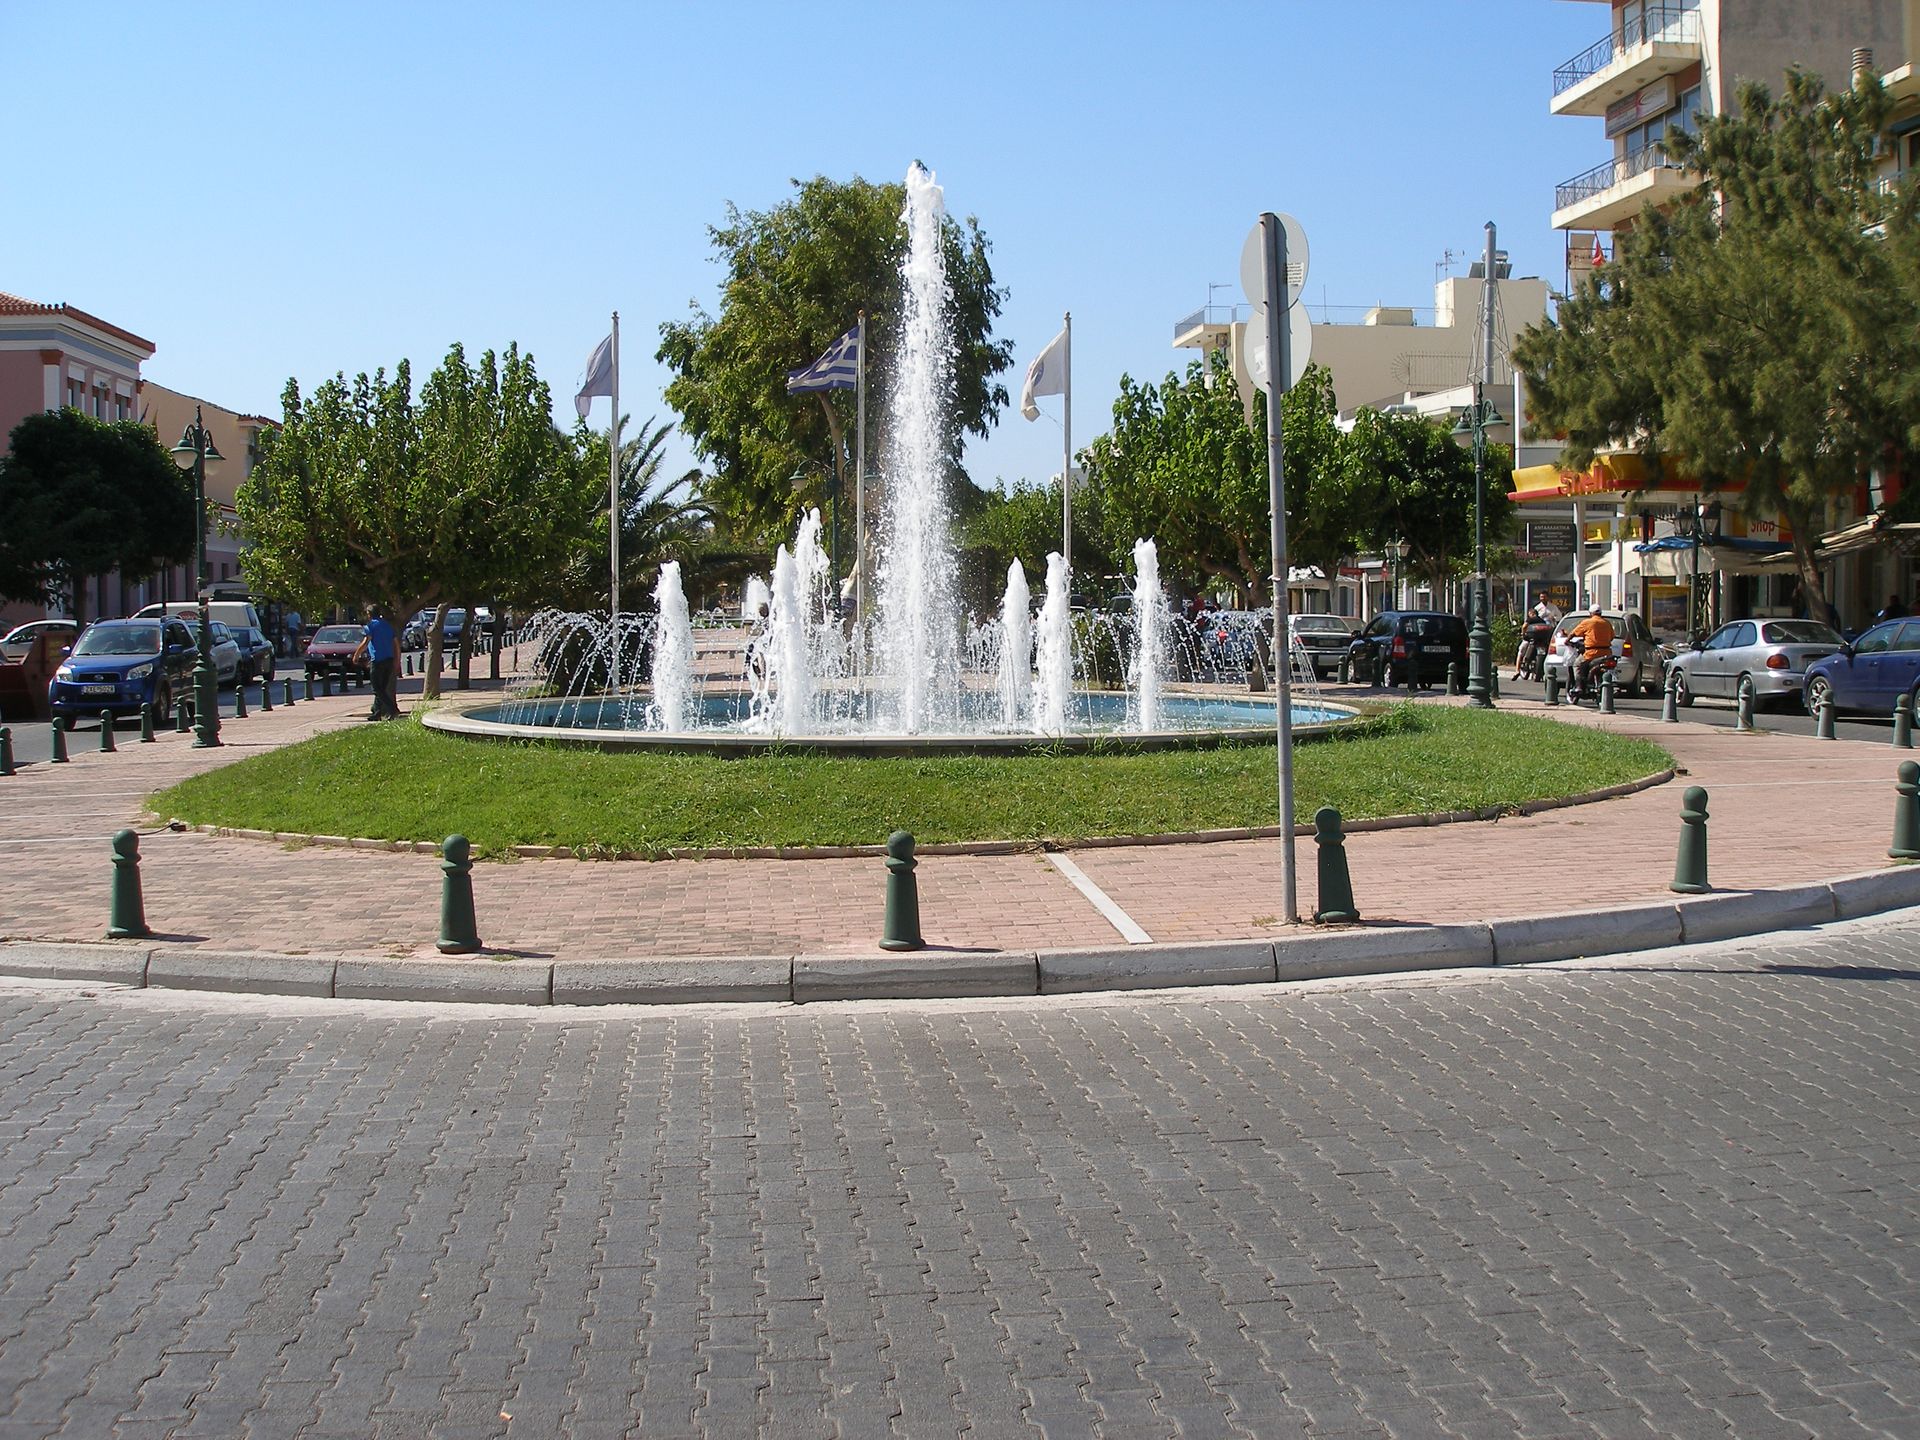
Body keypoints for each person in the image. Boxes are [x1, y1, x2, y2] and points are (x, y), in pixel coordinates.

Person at [351, 605, 401, 720]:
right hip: (389, 660)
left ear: (369, 614)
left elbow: (365, 642)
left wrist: (356, 655)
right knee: (382, 688)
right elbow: (396, 644)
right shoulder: (387, 625)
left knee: (377, 689)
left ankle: (393, 709)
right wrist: (397, 661)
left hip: (378, 661)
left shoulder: (371, 626)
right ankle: (377, 713)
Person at [1568, 603, 1616, 698]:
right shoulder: (1607, 623)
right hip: (1606, 653)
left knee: (1577, 665)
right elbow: (1611, 637)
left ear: (1591, 613)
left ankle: (1579, 686)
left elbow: (1573, 633)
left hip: (1591, 653)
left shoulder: (1587, 622)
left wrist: (1567, 640)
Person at [1514, 603, 1556, 682]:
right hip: (1542, 641)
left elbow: (1524, 626)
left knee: (1520, 651)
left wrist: (1523, 634)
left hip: (1531, 640)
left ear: (1531, 613)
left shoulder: (1530, 619)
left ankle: (1517, 670)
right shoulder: (1542, 620)